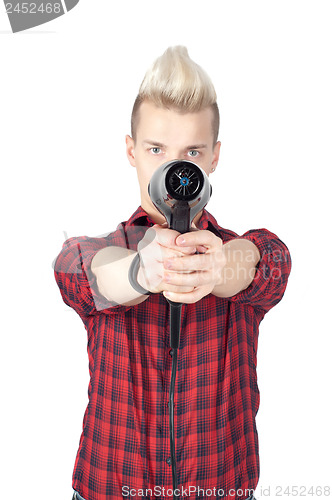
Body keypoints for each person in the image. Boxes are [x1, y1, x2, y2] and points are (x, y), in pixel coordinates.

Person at [54, 46, 291, 500]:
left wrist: (220, 266)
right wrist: (141, 273)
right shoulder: (92, 251)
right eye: (156, 149)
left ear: (214, 157)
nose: (172, 167)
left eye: (192, 151)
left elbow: (268, 263)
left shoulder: (241, 251)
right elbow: (92, 277)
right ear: (131, 150)